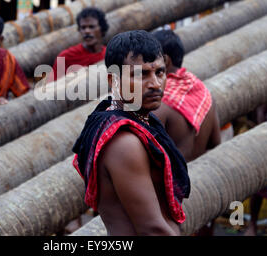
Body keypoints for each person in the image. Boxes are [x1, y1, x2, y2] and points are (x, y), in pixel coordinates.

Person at [72, 30, 190, 235]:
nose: (155, 84)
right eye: (141, 74)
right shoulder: (124, 142)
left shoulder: (141, 120)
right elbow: (152, 229)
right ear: (113, 80)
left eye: (160, 72)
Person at [152, 29, 221, 163]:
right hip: (201, 174)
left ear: (165, 61)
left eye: (147, 59)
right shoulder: (203, 92)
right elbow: (215, 142)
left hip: (173, 181)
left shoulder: (157, 103)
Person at [50, 7, 109, 81]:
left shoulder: (109, 56)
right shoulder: (66, 57)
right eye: (83, 28)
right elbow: (53, 88)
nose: (87, 31)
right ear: (79, 30)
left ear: (102, 29)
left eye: (91, 27)